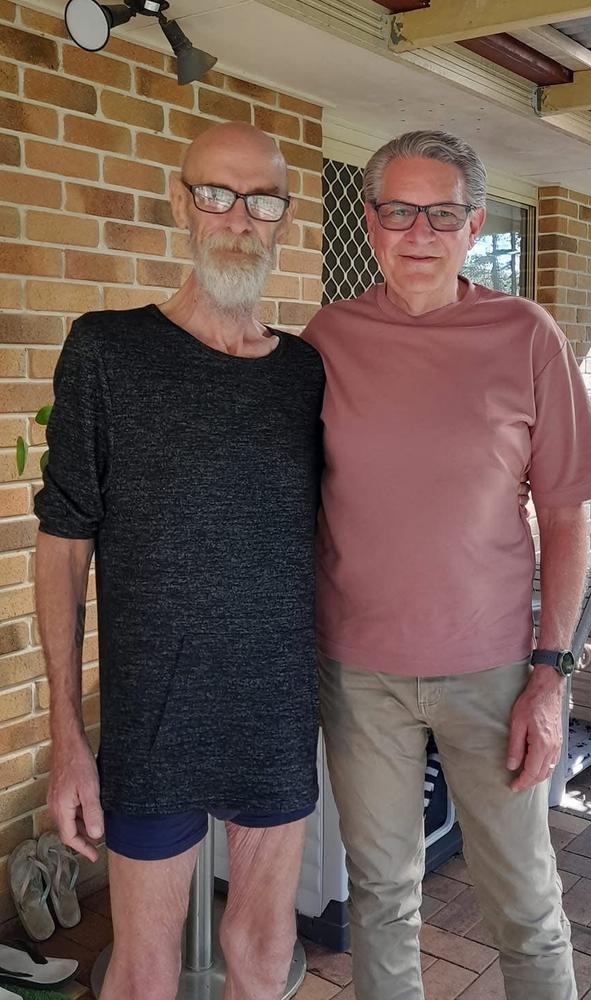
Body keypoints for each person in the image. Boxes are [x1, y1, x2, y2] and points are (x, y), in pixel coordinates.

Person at [302, 130, 591, 1000]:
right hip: (359, 673)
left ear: (474, 225)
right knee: (382, 897)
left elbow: (565, 513)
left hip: (494, 673)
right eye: (398, 211)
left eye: (441, 213)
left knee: (521, 899)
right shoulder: (329, 338)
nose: (419, 233)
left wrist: (550, 676)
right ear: (369, 222)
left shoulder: (524, 335)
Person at [33, 122, 325, 1000]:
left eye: (262, 200)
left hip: (273, 712)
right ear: (181, 203)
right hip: (150, 716)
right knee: (144, 969)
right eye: (217, 194)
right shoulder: (107, 351)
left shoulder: (306, 373)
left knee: (264, 948)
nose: (239, 217)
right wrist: (65, 735)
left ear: (283, 219)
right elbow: (62, 544)